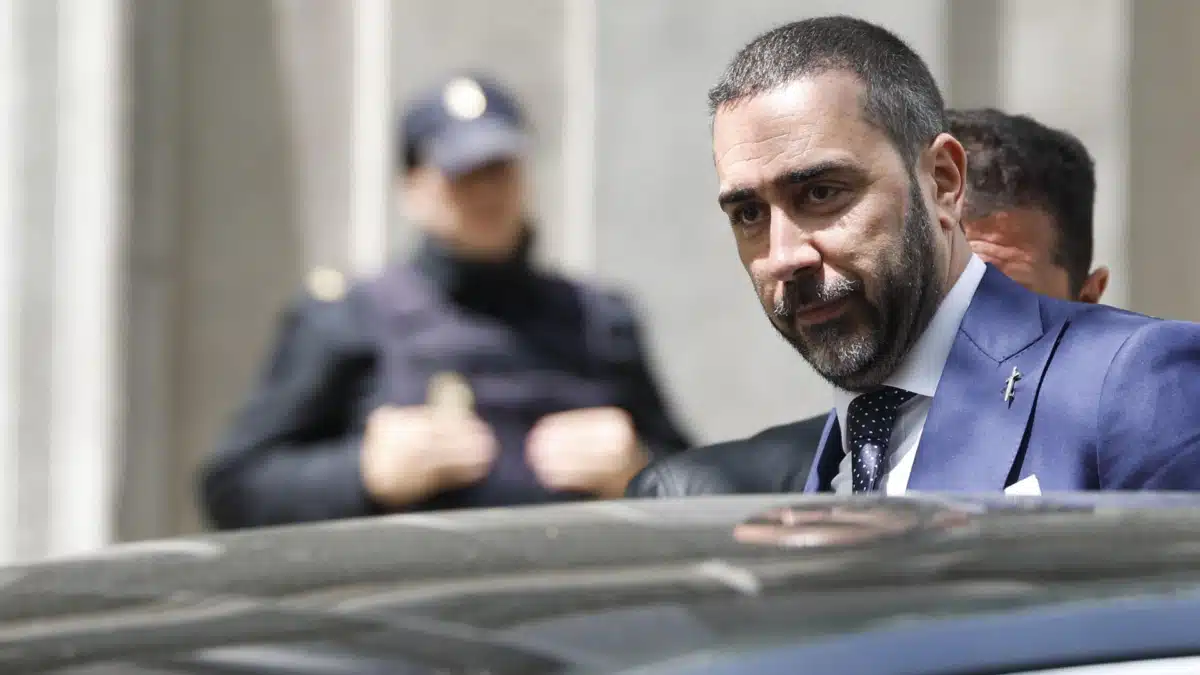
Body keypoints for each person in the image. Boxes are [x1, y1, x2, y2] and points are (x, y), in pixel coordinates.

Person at [629, 15, 1200, 498]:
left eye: (822, 193)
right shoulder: (829, 460)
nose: (784, 256)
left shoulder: (1134, 382)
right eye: (749, 213)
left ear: (943, 180)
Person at [200, 74, 692, 529]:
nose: (485, 192)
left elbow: (698, 486)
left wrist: (637, 469)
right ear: (412, 188)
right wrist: (361, 474)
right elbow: (232, 487)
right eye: (462, 174)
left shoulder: (598, 320)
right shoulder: (346, 318)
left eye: (498, 170)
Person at [630, 107, 1112, 497]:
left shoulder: (1124, 446)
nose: (951, 318)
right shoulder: (708, 494)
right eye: (750, 213)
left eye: (993, 291)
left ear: (1086, 304)